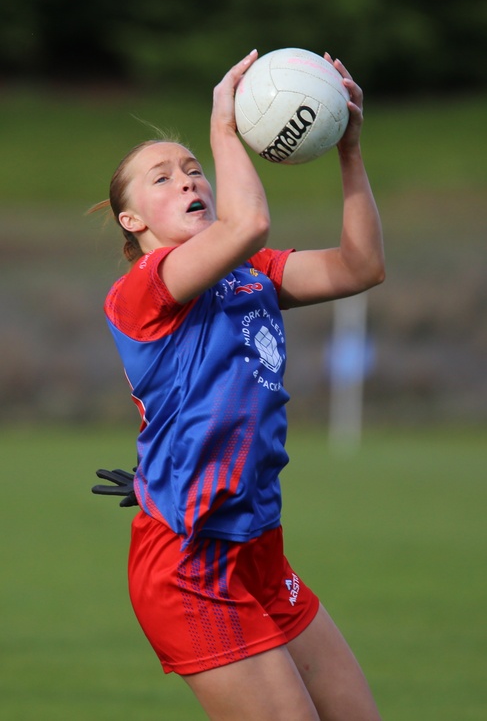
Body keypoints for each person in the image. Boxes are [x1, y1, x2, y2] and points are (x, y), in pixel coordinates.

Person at [92, 49, 385, 721]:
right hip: (189, 564)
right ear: (132, 221)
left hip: (258, 549)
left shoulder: (250, 275)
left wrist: (348, 151)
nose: (188, 180)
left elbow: (361, 267)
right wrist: (224, 126)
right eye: (163, 178)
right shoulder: (141, 290)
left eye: (195, 168)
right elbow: (247, 222)